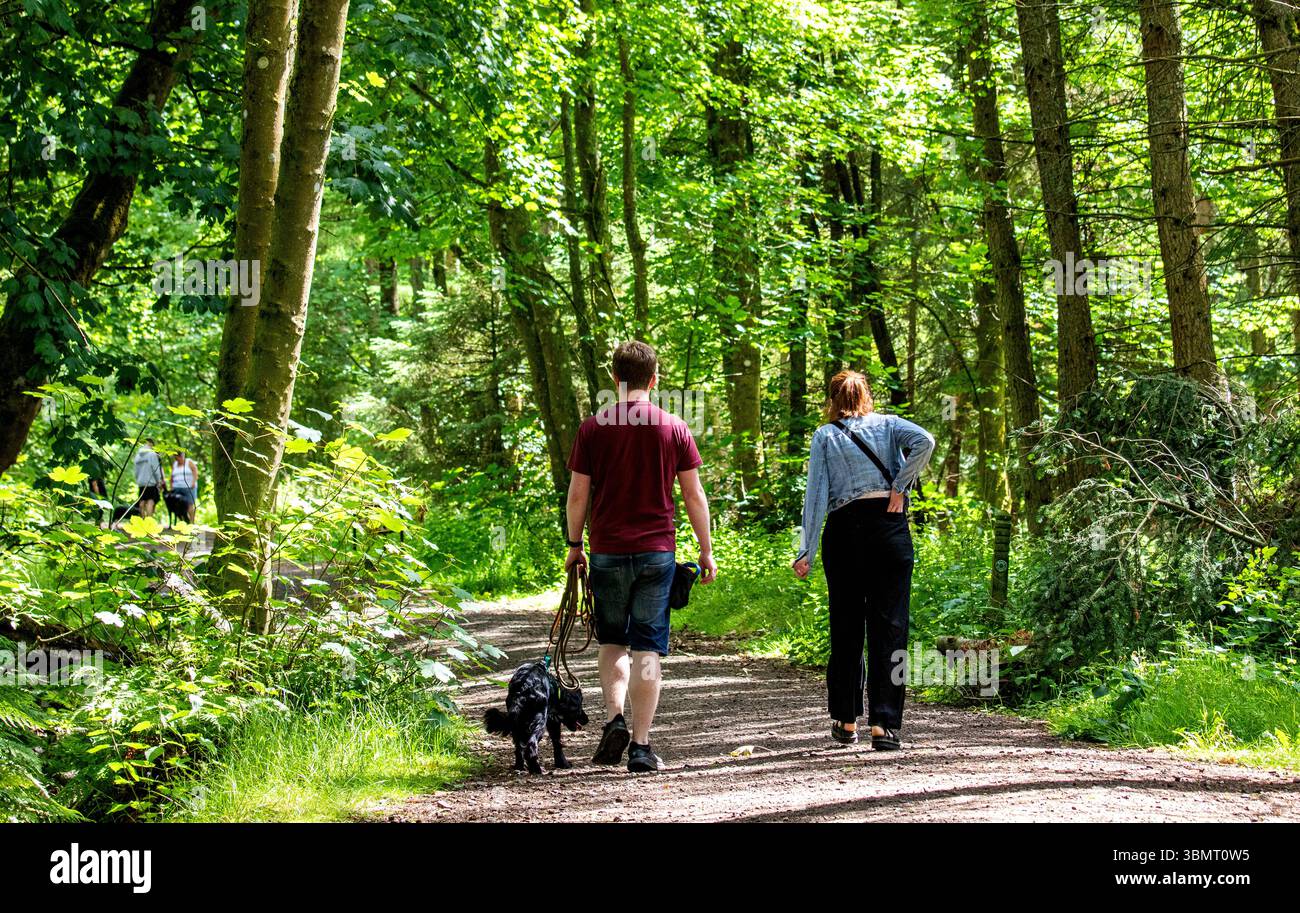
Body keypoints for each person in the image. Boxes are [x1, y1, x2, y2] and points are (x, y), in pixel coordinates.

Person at [564, 340, 717, 773]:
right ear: (654, 379)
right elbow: (693, 494)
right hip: (656, 553)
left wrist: (575, 546)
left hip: (608, 550)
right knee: (648, 646)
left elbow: (578, 494)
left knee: (613, 640)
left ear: (615, 379)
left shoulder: (593, 427)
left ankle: (613, 719)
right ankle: (641, 746)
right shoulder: (673, 427)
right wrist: (706, 551)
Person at [792, 370, 935, 751]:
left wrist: (805, 548)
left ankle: (844, 719)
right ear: (866, 395)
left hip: (845, 532)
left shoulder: (825, 435)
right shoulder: (889, 425)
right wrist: (900, 487)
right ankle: (884, 726)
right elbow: (926, 440)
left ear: (832, 399)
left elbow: (816, 495)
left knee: (846, 625)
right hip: (888, 528)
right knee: (891, 626)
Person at [132, 438, 165, 519]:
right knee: (150, 501)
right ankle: (149, 522)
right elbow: (155, 469)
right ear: (151, 444)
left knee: (142, 502)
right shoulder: (152, 454)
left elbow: (135, 470)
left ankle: (142, 521)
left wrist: (137, 480)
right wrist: (159, 481)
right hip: (150, 482)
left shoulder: (137, 456)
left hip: (141, 482)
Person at [169, 448, 199, 523]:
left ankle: (192, 523)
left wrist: (193, 482)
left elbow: (195, 472)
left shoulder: (189, 462)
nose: (177, 460)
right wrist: (171, 486)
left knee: (190, 504)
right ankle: (184, 521)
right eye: (175, 458)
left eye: (178, 457)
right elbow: (171, 476)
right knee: (177, 506)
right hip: (177, 487)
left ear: (182, 456)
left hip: (189, 487)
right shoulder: (175, 464)